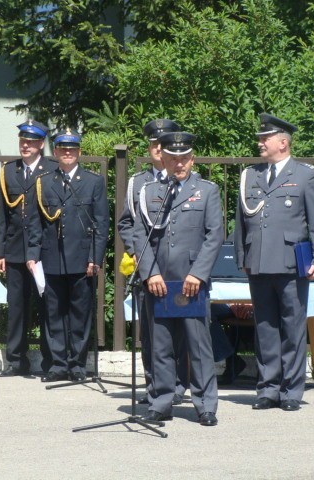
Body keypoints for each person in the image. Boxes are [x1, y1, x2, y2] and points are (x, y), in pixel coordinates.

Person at [234, 113, 314, 411]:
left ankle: (290, 391)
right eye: (261, 138)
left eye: (266, 138)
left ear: (283, 143)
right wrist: (241, 256)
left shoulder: (305, 175)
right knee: (265, 328)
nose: (261, 143)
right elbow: (241, 221)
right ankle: (268, 389)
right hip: (259, 261)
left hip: (290, 263)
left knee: (292, 327)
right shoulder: (252, 174)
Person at [134, 131, 223, 426]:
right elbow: (139, 235)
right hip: (159, 281)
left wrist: (198, 272)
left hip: (190, 281)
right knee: (160, 345)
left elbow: (214, 235)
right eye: (173, 158)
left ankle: (205, 404)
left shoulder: (207, 190)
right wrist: (150, 272)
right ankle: (161, 401)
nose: (179, 163)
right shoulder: (148, 191)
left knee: (198, 345)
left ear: (192, 159)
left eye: (184, 158)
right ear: (164, 159)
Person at [26, 129, 109, 382]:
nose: (67, 153)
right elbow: (35, 222)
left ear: (79, 152)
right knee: (53, 313)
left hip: (83, 259)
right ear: (56, 153)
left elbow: (101, 222)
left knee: (80, 314)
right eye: (62, 149)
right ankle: (58, 364)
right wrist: (32, 253)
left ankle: (77, 365)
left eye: (72, 149)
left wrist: (95, 258)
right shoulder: (44, 181)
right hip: (51, 258)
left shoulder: (93, 181)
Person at [117, 118, 189, 406]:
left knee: (181, 329)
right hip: (148, 267)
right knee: (150, 331)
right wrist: (137, 254)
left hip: (179, 266)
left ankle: (179, 384)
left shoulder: (186, 178)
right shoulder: (138, 182)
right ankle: (154, 385)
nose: (158, 149)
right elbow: (126, 223)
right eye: (154, 144)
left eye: (163, 143)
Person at [0, 120, 56, 377]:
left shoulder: (51, 169)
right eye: (22, 141)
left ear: (41, 144)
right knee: (17, 307)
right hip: (16, 248)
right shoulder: (9, 171)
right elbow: (2, 214)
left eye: (30, 142)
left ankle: (50, 363)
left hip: (42, 250)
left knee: (46, 307)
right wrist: (0, 251)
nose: (25, 145)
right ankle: (16, 361)